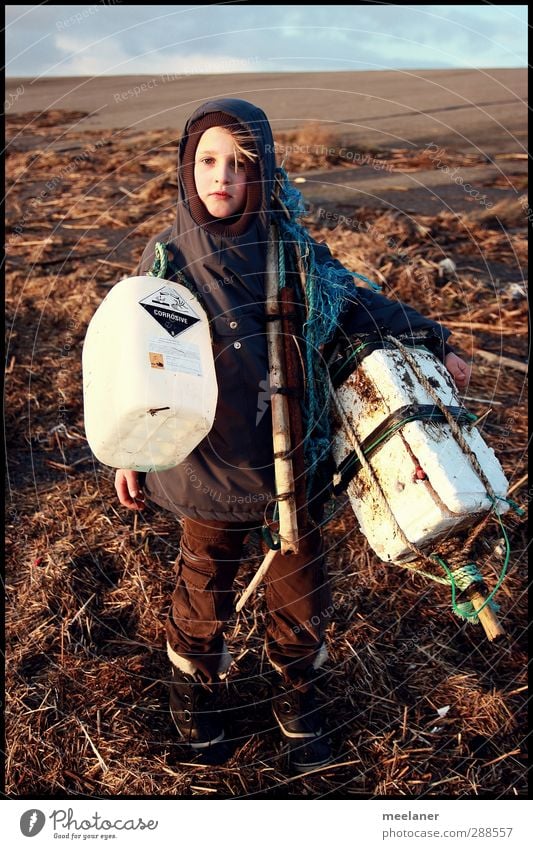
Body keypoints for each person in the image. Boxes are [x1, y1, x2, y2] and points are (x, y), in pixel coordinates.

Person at [114, 97, 471, 773]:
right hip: (204, 462)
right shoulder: (167, 260)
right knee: (205, 579)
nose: (222, 176)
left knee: (299, 582)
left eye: (240, 165)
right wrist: (128, 446)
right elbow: (135, 364)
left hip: (290, 460)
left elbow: (358, 303)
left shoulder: (292, 250)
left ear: (265, 174)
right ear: (187, 169)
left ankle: (298, 689)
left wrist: (432, 335)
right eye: (207, 161)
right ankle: (195, 685)